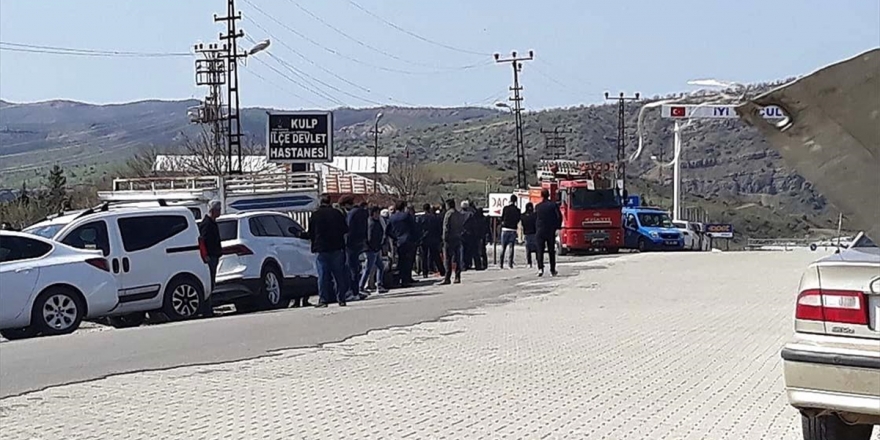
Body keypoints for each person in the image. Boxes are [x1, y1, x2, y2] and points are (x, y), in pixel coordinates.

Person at [307, 194, 350, 307]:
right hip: (337, 247)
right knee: (339, 275)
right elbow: (345, 229)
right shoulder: (337, 213)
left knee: (323, 275)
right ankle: (341, 299)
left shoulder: (315, 215)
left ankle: (323, 300)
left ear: (320, 202)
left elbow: (311, 232)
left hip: (321, 248)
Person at [343, 197, 369, 301]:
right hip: (359, 242)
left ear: (346, 205)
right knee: (356, 267)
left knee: (351, 268)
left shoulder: (351, 214)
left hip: (350, 244)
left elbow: (348, 228)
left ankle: (352, 291)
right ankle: (356, 291)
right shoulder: (362, 212)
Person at [387, 200, 417, 287]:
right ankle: (406, 279)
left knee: (401, 260)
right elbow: (413, 227)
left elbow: (388, 231)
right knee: (408, 260)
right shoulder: (406, 216)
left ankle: (400, 279)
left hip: (398, 241)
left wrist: (395, 238)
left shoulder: (392, 217)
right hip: (408, 239)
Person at [534, 189, 563, 277]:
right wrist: (557, 226)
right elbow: (559, 216)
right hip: (550, 230)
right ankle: (552, 270)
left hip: (540, 230)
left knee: (540, 250)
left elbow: (535, 218)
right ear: (549, 195)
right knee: (551, 250)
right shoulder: (553, 205)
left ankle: (540, 269)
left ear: (541, 195)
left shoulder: (538, 206)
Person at [359, 206, 388, 293]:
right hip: (371, 249)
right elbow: (370, 237)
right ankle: (361, 287)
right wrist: (374, 247)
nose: (378, 215)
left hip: (376, 248)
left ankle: (379, 285)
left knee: (380, 266)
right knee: (368, 269)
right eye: (376, 213)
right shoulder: (371, 223)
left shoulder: (376, 222)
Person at [199, 200, 223, 293]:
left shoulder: (213, 223)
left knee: (212, 279)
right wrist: (205, 255)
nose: (220, 211)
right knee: (210, 279)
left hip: (214, 255)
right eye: (218, 209)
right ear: (213, 211)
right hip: (210, 256)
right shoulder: (207, 224)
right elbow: (202, 240)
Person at [417, 203, 445, 278]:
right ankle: (442, 270)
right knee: (436, 255)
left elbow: (418, 228)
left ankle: (425, 272)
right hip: (433, 238)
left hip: (424, 239)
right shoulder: (434, 218)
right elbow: (438, 228)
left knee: (424, 256)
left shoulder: (421, 218)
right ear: (429, 209)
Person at [439, 198, 464, 285]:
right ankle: (457, 276)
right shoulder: (459, 214)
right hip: (458, 237)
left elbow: (446, 227)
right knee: (457, 258)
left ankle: (447, 277)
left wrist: (444, 238)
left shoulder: (448, 214)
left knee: (447, 258)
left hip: (449, 239)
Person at [499, 194, 521, 269]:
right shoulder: (517, 210)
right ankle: (510, 264)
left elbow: (502, 218)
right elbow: (518, 219)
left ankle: (501, 264)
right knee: (511, 248)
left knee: (503, 247)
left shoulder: (505, 208)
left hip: (505, 229)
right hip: (513, 229)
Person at [460, 200, 476, 270]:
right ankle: (468, 263)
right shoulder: (471, 214)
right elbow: (474, 224)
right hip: (469, 234)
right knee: (468, 250)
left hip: (461, 234)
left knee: (462, 250)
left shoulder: (459, 214)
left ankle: (462, 264)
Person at [521, 202, 537, 268]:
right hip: (534, 233)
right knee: (537, 249)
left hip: (526, 234)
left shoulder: (523, 216)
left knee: (528, 249)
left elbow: (522, 224)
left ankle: (529, 263)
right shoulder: (535, 215)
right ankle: (538, 261)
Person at [472, 205, 488, 271]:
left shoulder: (474, 219)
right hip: (482, 236)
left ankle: (478, 265)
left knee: (476, 252)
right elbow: (487, 228)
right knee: (483, 251)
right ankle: (484, 264)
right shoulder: (484, 219)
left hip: (476, 237)